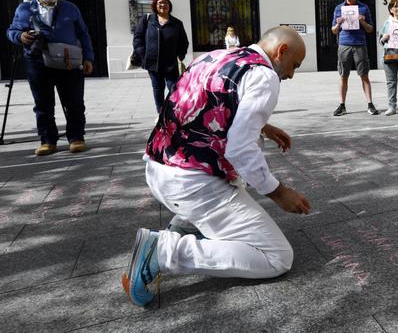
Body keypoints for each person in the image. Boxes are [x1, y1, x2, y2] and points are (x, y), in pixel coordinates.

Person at [122, 26, 311, 308]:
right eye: (294, 65)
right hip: (193, 184)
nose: (292, 74)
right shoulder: (264, 75)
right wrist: (278, 192)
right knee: (277, 257)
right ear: (281, 51)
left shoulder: (215, 56)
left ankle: (184, 226)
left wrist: (263, 125)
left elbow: (202, 102)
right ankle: (163, 251)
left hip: (158, 168)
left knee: (233, 180)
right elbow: (240, 149)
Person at [7, 0, 95, 156]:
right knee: (43, 104)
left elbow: (83, 33)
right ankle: (48, 140)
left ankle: (76, 137)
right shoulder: (24, 10)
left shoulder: (71, 8)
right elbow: (12, 31)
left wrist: (88, 57)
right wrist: (20, 36)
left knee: (74, 102)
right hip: (38, 62)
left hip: (68, 62)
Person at [133, 0, 190, 114]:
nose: (163, 5)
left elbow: (184, 42)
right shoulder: (147, 20)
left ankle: (173, 112)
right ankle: (160, 113)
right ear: (155, 6)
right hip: (153, 63)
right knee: (158, 89)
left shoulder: (177, 23)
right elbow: (138, 38)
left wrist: (181, 55)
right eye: (160, 3)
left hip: (171, 64)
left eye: (165, 3)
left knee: (173, 88)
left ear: (169, 5)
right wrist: (144, 55)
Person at [331, 0, 379, 116]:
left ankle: (370, 104)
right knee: (343, 76)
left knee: (364, 75)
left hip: (360, 44)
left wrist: (362, 21)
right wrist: (338, 24)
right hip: (344, 44)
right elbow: (334, 31)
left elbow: (370, 29)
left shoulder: (364, 8)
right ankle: (342, 105)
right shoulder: (338, 8)